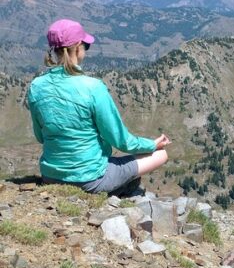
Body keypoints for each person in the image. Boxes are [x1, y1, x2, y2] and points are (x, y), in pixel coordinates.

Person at [28, 19, 170, 196]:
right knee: (161, 155)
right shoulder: (93, 87)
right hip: (89, 180)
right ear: (79, 46)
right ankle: (117, 189)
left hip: (50, 176)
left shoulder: (36, 86)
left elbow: (40, 137)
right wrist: (152, 144)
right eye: (86, 46)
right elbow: (121, 141)